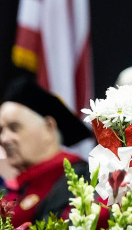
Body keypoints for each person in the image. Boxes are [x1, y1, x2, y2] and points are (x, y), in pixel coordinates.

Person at [0, 76, 92, 226]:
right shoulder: (10, 189)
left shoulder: (78, 178)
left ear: (49, 126)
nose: (4, 139)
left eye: (14, 127)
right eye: (1, 130)